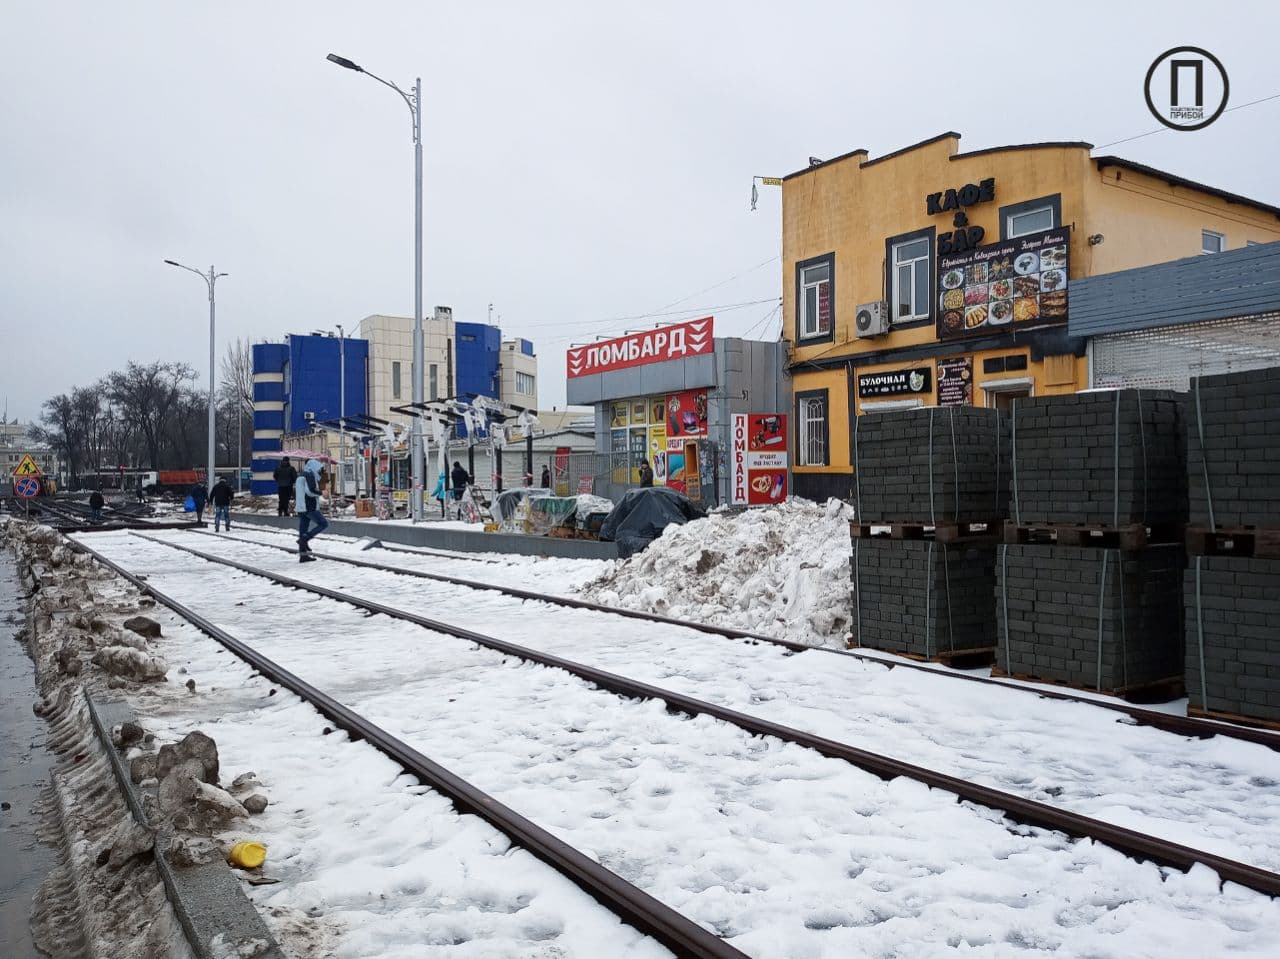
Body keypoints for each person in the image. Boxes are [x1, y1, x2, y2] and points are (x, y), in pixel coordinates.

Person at [295, 458, 328, 561]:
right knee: (323, 523)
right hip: (309, 506)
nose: (320, 472)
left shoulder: (301, 475)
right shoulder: (309, 475)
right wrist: (321, 493)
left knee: (303, 529)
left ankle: (303, 555)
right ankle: (305, 539)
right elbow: (310, 491)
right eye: (319, 469)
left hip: (301, 507)